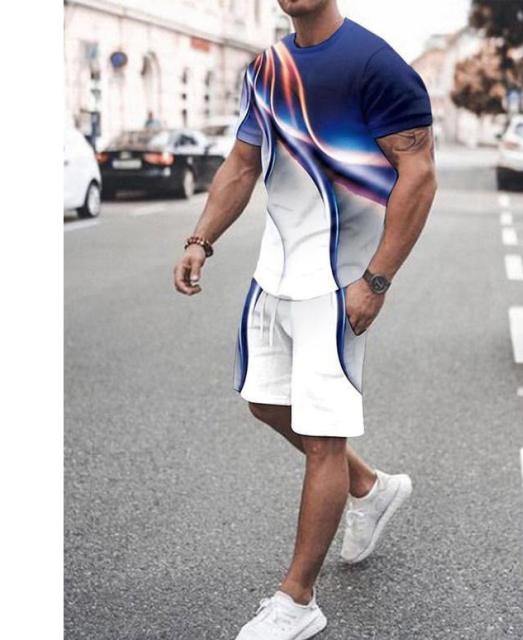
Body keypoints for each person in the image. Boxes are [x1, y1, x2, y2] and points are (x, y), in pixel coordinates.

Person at [173, 1, 437, 637]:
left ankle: (298, 600)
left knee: (323, 438)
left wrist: (376, 280)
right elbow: (242, 164)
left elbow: (419, 176)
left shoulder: (377, 66)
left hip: (338, 283)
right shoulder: (266, 67)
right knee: (265, 403)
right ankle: (369, 487)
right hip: (276, 272)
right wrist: (201, 239)